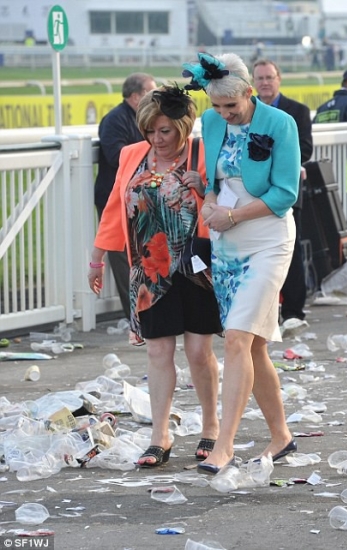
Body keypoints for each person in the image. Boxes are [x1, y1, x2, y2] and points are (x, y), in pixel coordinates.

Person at [88, 85, 222, 467]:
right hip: (148, 269)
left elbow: (228, 199)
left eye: (165, 131)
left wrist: (205, 188)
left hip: (197, 267)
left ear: (183, 127)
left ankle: (211, 426)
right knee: (157, 350)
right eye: (150, 131)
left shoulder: (203, 152)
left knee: (199, 352)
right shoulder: (132, 155)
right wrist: (97, 257)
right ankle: (159, 435)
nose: (157, 139)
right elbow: (116, 208)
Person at [181, 52, 301, 473]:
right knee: (255, 345)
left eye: (231, 106)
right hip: (226, 244)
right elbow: (215, 184)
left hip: (268, 242)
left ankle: (224, 446)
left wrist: (230, 214)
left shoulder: (280, 124)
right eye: (215, 106)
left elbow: (285, 194)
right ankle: (282, 436)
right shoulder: (211, 123)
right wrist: (209, 199)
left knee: (234, 338)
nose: (223, 114)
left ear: (250, 93)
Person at [252, 59, 313, 335]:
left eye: (269, 77)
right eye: (260, 78)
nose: (264, 82)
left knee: (291, 247)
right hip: (254, 190)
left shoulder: (297, 111)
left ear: (279, 79)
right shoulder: (247, 111)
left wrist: (270, 161)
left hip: (287, 188)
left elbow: (305, 149)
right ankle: (265, 310)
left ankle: (293, 310)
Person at [94, 72, 156, 317]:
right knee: (122, 258)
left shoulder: (144, 118)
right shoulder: (115, 120)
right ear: (135, 96)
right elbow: (115, 155)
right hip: (117, 199)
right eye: (150, 93)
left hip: (141, 200)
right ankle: (135, 313)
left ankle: (148, 309)